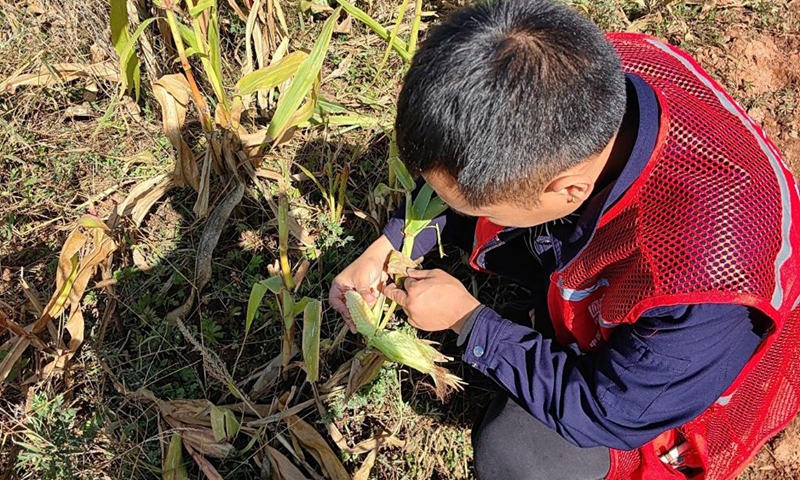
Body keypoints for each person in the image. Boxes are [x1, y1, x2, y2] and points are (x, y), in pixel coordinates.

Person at [328, 0, 800, 478]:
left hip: (670, 388)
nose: (471, 215)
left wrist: (469, 322)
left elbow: (609, 410)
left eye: (483, 209)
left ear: (569, 189)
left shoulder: (704, 284)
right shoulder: (574, 72)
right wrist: (389, 246)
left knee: (515, 453)